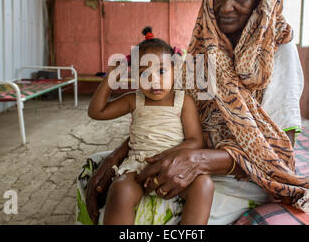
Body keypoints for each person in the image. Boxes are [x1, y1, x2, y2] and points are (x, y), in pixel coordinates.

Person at [77, 0, 309, 226]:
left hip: (243, 175)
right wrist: (118, 156)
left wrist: (200, 160)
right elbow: (165, 115)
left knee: (150, 218)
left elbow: (281, 151)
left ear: (260, 2)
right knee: (94, 170)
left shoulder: (277, 50)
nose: (225, 6)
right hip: (186, 152)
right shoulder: (204, 48)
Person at [87, 29, 214, 225]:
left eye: (161, 71)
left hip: (175, 163)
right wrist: (111, 76)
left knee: (204, 184)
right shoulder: (134, 99)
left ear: (175, 70)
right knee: (120, 190)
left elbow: (195, 140)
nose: (153, 80)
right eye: (143, 72)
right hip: (139, 163)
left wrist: (167, 156)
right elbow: (96, 112)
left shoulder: (183, 101)